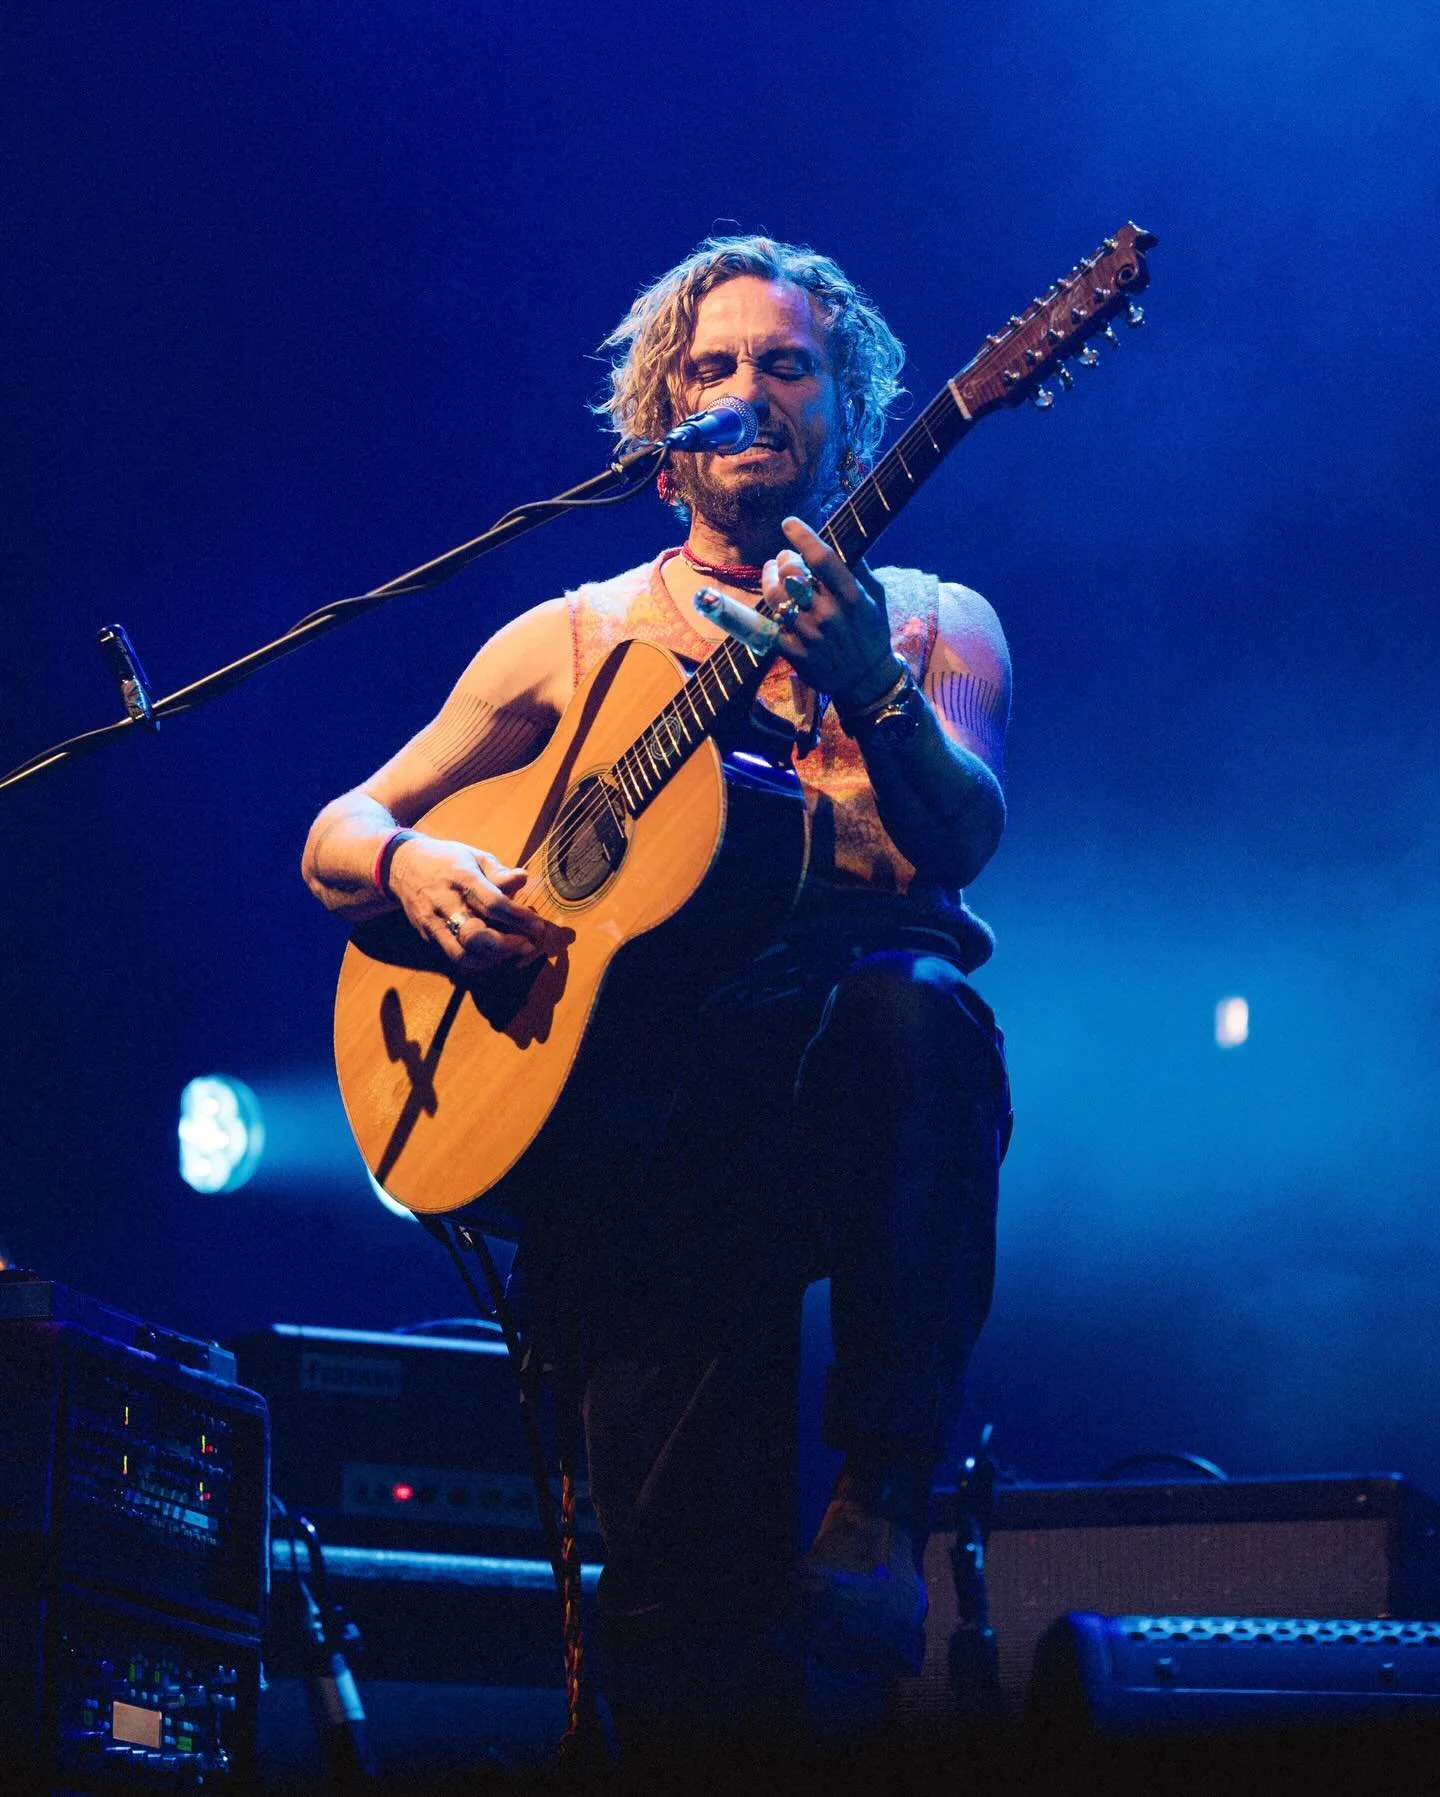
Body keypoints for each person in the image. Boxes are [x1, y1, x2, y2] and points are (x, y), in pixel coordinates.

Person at [302, 236, 1013, 1753]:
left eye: (785, 364)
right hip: (639, 1120)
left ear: (852, 403)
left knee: (919, 1014)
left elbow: (962, 841)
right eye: (711, 369)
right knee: (685, 1620)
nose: (746, 391)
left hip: (846, 1075)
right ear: (661, 415)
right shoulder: (574, 634)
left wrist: (870, 684)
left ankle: (881, 1493)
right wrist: (417, 866)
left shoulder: (935, 617)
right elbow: (336, 835)